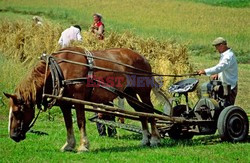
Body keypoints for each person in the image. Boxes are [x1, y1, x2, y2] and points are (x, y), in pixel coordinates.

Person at [197, 37, 238, 106]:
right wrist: (217, 74)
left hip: (229, 87)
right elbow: (223, 68)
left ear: (221, 45)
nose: (216, 49)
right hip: (223, 85)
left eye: (217, 47)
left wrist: (205, 71)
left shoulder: (228, 56)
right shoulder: (225, 55)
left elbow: (220, 67)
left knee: (226, 108)